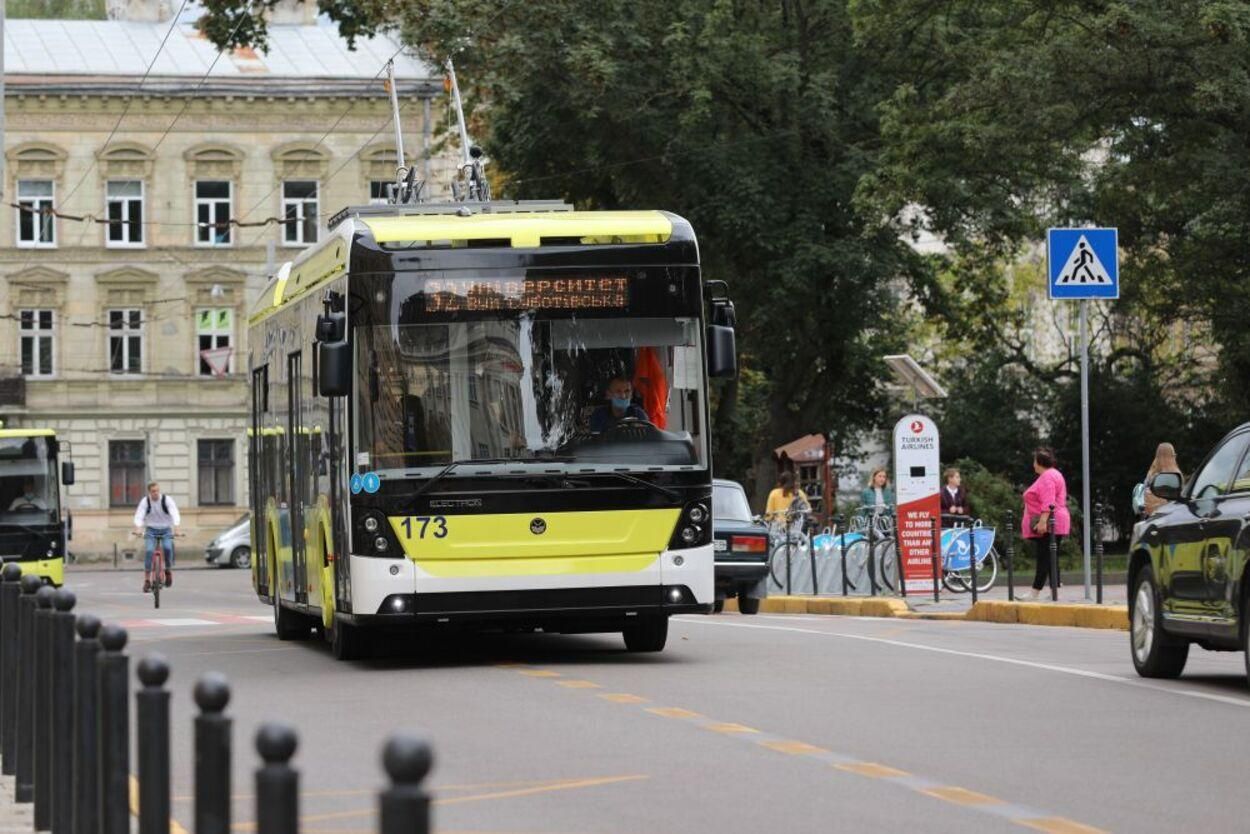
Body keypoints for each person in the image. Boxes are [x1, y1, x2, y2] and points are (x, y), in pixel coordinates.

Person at [1020, 447, 1071, 600]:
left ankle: (1034, 592)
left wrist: (1042, 522)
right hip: (1055, 520)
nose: (1033, 465)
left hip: (1050, 522)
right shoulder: (1054, 474)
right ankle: (1055, 591)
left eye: (1034, 461)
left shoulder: (1047, 477)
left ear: (1040, 462)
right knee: (1051, 557)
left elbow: (1049, 502)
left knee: (1044, 557)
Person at [133, 481, 180, 593]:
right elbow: (139, 515)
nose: (156, 493)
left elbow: (174, 513)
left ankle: (168, 570)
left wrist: (177, 527)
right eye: (153, 491)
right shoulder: (145, 501)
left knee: (168, 548)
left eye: (157, 491)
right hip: (151, 530)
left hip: (166, 529)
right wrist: (138, 528)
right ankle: (147, 580)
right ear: (149, 492)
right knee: (149, 551)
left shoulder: (166, 500)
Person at [1142, 442, 1182, 516]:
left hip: (1149, 514)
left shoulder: (1151, 473)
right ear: (1170, 456)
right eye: (1173, 455)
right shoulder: (1173, 474)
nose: (1175, 457)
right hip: (1166, 514)